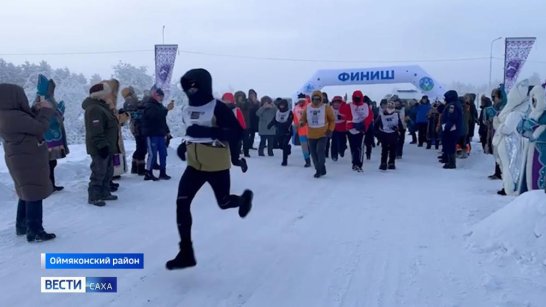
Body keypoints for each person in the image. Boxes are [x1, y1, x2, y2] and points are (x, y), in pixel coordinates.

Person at [166, 68, 253, 270]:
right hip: (194, 164)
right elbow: (191, 131)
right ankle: (186, 252)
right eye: (188, 86)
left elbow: (238, 133)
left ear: (204, 85)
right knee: (181, 204)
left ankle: (243, 199)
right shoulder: (186, 109)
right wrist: (184, 144)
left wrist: (209, 131)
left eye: (195, 86)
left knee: (223, 203)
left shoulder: (218, 107)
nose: (191, 90)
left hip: (216, 164)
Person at [0, 83, 57, 242]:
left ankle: (22, 225)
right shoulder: (14, 116)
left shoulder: (7, 114)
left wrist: (35, 109)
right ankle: (35, 230)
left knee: (26, 191)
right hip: (28, 158)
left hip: (20, 157)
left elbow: (27, 123)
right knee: (34, 193)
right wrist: (46, 110)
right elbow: (39, 127)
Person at [83, 81, 120, 206]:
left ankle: (104, 193)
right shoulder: (94, 109)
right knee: (99, 171)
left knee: (108, 171)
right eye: (107, 93)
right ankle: (94, 196)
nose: (109, 95)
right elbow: (95, 130)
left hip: (107, 146)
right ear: (100, 95)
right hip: (100, 147)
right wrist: (102, 145)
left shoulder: (103, 107)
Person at [35, 75, 69, 192]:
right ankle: (47, 186)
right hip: (48, 138)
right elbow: (46, 120)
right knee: (47, 163)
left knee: (51, 163)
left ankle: (50, 185)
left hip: (52, 138)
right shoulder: (42, 101)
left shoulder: (46, 99)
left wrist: (59, 114)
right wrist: (59, 113)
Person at [299, 90, 335, 178]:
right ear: (312, 99)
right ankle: (318, 168)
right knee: (313, 153)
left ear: (321, 99)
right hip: (311, 135)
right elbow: (303, 118)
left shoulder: (326, 108)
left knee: (320, 151)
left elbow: (332, 120)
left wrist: (330, 130)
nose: (316, 101)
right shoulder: (308, 108)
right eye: (314, 99)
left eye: (318, 99)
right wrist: (302, 122)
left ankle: (320, 167)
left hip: (323, 134)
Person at [141, 87, 171, 181]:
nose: (161, 98)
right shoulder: (149, 105)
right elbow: (154, 117)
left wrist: (167, 131)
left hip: (160, 134)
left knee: (163, 153)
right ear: (155, 95)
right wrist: (166, 110)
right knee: (152, 154)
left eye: (162, 96)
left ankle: (162, 172)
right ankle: (148, 172)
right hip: (151, 134)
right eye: (160, 96)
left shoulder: (159, 106)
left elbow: (162, 120)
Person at [341, 90, 369, 172]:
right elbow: (341, 111)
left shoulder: (365, 106)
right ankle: (354, 163)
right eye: (355, 98)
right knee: (353, 147)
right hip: (350, 129)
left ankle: (358, 164)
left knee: (359, 147)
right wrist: (343, 102)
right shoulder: (349, 105)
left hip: (361, 130)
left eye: (358, 98)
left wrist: (364, 126)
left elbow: (369, 117)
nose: (357, 99)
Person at [122, 86, 147, 176]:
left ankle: (135, 167)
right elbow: (138, 108)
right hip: (138, 127)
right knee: (142, 148)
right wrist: (145, 98)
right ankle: (140, 168)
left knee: (140, 147)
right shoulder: (130, 101)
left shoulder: (128, 102)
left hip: (136, 127)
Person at [222, 92, 248, 172]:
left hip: (234, 138)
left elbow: (243, 124)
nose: (226, 102)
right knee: (221, 159)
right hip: (222, 137)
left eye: (228, 100)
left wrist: (242, 135)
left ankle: (242, 163)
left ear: (232, 101)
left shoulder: (236, 110)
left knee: (235, 161)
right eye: (224, 100)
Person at [375, 100, 403, 170]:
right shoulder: (382, 115)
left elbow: (400, 126)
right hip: (385, 134)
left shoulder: (396, 115)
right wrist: (378, 134)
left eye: (391, 106)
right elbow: (376, 125)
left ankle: (390, 163)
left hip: (392, 134)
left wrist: (398, 129)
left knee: (391, 149)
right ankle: (385, 163)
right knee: (385, 149)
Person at [441, 90, 463, 169]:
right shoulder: (455, 104)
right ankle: (449, 161)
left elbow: (452, 117)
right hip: (452, 129)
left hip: (451, 129)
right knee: (449, 145)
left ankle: (451, 163)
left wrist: (447, 128)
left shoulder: (452, 105)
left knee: (450, 145)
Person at [268, 98, 293, 166]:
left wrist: (279, 125)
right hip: (279, 132)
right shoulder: (278, 112)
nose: (282, 106)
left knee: (284, 145)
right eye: (281, 105)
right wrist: (270, 125)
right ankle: (288, 148)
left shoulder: (289, 112)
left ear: (286, 105)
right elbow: (274, 120)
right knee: (281, 146)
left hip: (287, 132)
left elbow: (288, 122)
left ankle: (284, 161)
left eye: (283, 105)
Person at [293, 94, 311, 167]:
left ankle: (311, 154)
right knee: (304, 147)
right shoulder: (295, 108)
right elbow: (295, 119)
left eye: (302, 100)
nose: (301, 102)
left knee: (311, 146)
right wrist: (296, 127)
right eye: (299, 101)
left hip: (310, 131)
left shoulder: (310, 106)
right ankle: (307, 161)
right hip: (301, 131)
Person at [330, 96, 348, 161]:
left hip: (343, 127)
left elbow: (348, 116)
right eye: (335, 102)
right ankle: (334, 155)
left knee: (343, 141)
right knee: (334, 141)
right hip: (334, 127)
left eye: (338, 103)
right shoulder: (330, 109)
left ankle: (342, 150)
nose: (336, 104)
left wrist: (342, 117)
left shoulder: (344, 108)